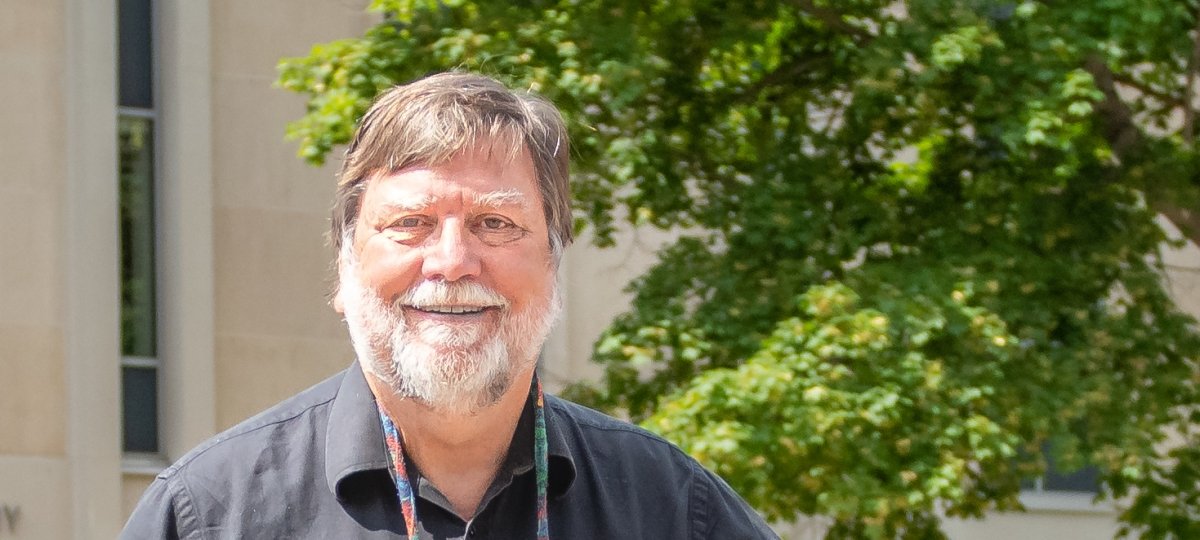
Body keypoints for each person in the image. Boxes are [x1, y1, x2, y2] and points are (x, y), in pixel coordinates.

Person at [122, 72, 778, 539]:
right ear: (344, 271)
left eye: (496, 224)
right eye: (410, 223)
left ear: (553, 266)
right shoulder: (208, 515)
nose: (453, 262)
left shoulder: (674, 510)